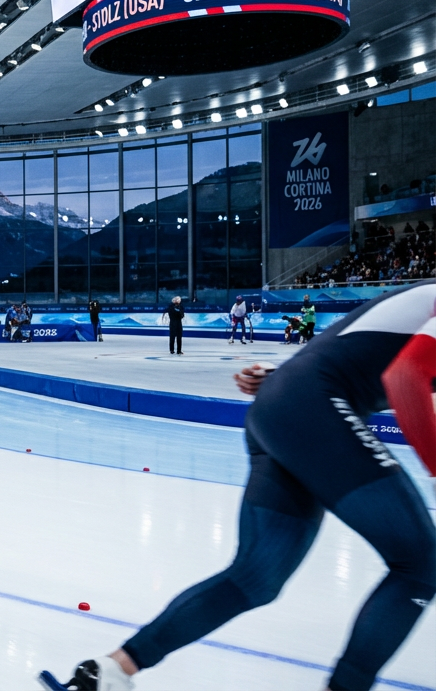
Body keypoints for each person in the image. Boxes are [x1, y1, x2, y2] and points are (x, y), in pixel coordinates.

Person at [41, 280, 436, 691]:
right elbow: (406, 376)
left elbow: (355, 349)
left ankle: (112, 671)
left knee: (255, 579)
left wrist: (288, 381)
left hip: (289, 405)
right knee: (420, 563)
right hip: (314, 405)